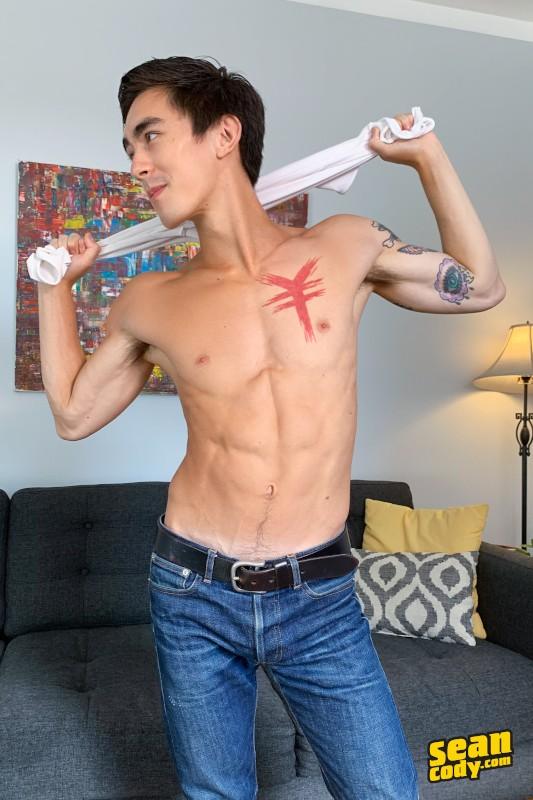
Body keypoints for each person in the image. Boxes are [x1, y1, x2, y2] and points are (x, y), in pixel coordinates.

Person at [38, 55, 505, 800]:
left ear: (223, 134)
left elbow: (478, 286)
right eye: (128, 147)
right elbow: (72, 415)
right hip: (191, 591)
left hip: (319, 596)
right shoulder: (151, 298)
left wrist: (426, 157)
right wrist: (55, 289)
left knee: (384, 791)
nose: (136, 164)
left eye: (150, 136)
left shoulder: (343, 247)